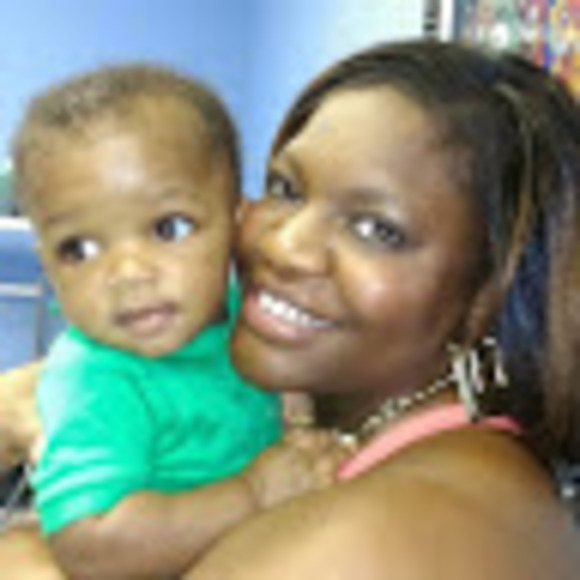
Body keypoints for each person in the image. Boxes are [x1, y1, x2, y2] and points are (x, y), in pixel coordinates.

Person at [1, 39, 580, 579]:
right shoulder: (348, 410)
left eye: (376, 229)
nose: (283, 245)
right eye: (285, 189)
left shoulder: (374, 532)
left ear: (488, 290)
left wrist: (24, 559)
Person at [1, 63, 340, 579]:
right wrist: (252, 494)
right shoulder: (98, 380)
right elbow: (92, 545)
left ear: (238, 224)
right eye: (79, 248)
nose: (128, 274)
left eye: (169, 228)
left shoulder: (244, 317)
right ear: (47, 264)